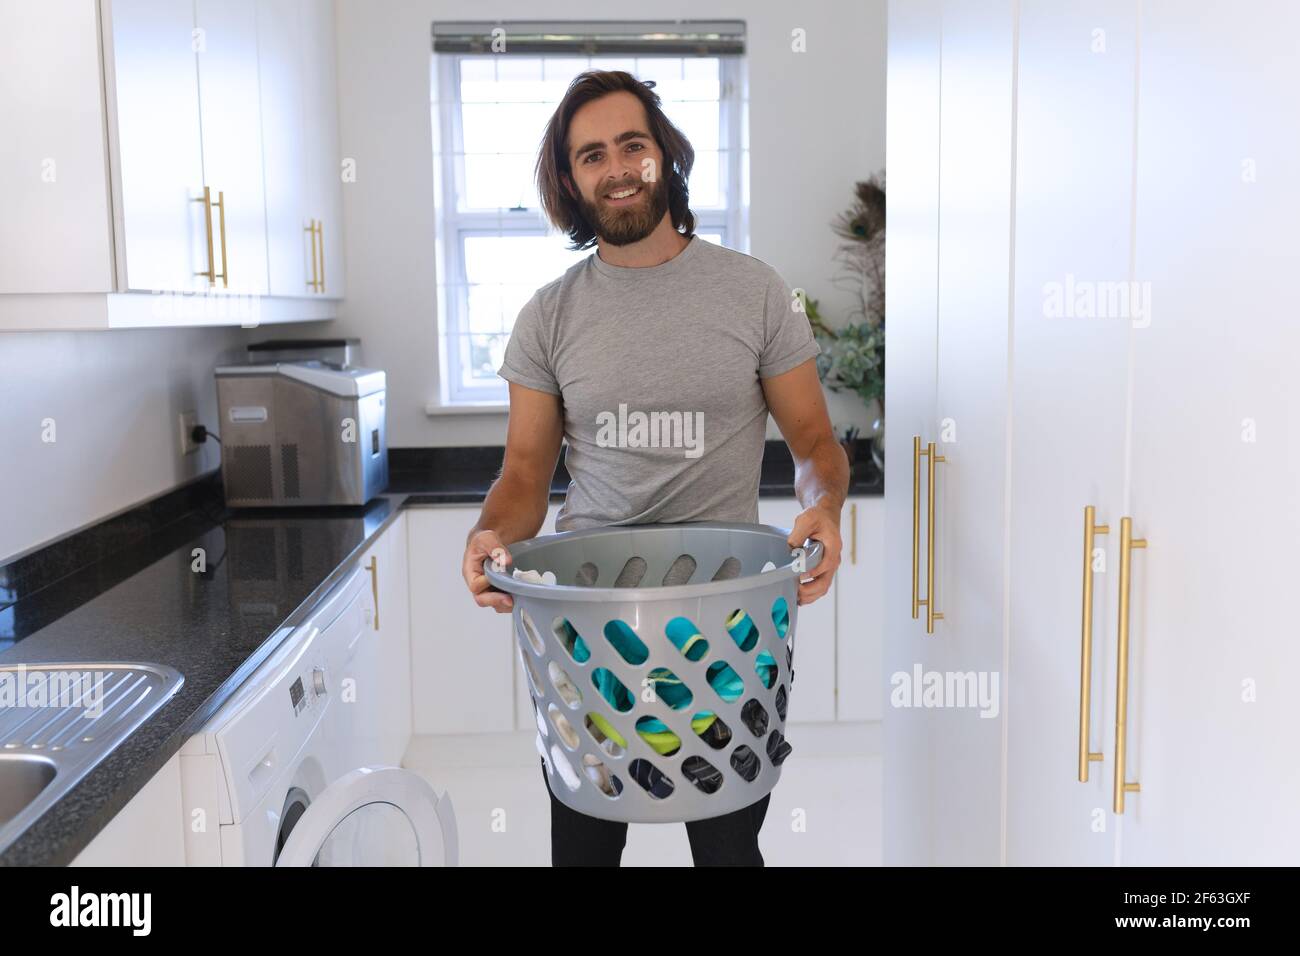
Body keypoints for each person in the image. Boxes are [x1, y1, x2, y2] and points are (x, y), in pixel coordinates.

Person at [461, 70, 848, 866]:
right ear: (571, 181)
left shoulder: (755, 293)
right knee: (585, 851)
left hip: (730, 635)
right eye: (592, 155)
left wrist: (825, 506)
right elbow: (527, 471)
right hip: (591, 638)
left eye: (632, 144)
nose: (618, 167)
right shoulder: (548, 316)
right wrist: (490, 532)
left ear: (664, 153)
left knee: (729, 850)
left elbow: (813, 442)